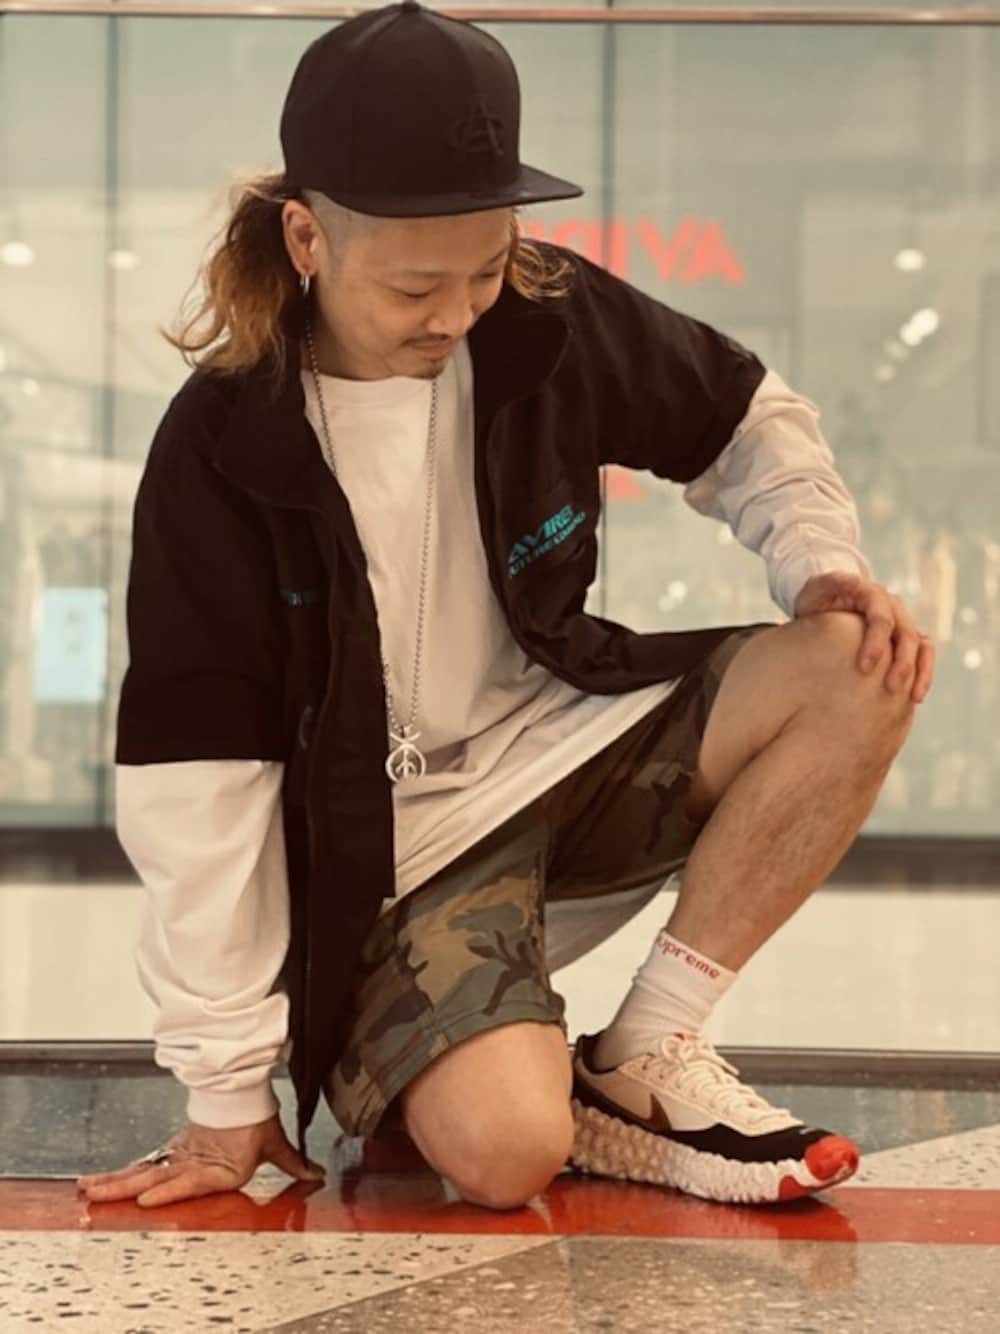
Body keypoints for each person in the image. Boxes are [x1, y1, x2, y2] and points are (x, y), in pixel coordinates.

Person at [78, 1, 934, 1213]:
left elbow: (747, 419)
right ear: (306, 237)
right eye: (415, 285)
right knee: (505, 1153)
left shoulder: (543, 316)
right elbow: (197, 782)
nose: (456, 314)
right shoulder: (223, 448)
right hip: (388, 865)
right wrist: (225, 1088)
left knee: (855, 658)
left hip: (562, 753)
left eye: (484, 269)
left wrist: (819, 565)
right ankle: (475, 1055)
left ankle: (647, 1046)